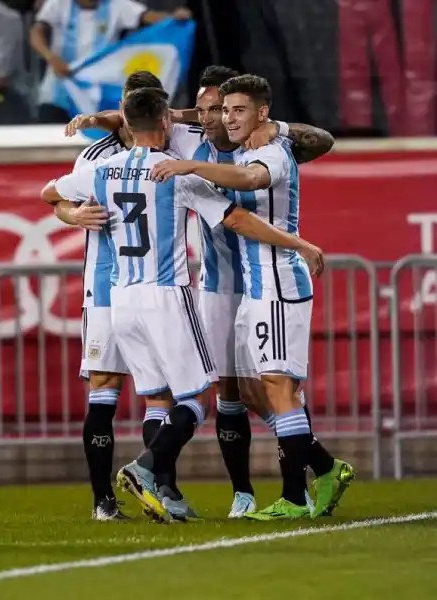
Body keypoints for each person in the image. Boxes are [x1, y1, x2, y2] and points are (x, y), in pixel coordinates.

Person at [66, 65, 351, 518]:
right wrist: (105, 127)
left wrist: (273, 127)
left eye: (227, 109)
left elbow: (320, 141)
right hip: (220, 285)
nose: (217, 118)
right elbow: (137, 117)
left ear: (254, 112)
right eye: (206, 109)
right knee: (232, 392)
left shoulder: (264, 149)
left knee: (274, 385)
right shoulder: (183, 141)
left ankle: (298, 488)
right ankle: (246, 492)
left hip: (265, 279)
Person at [150, 74, 354, 520]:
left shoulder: (272, 153)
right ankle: (324, 469)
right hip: (254, 288)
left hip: (277, 283)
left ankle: (295, 498)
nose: (227, 118)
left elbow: (249, 179)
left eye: (237, 110)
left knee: (280, 389)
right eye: (225, 111)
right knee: (254, 390)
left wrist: (190, 167)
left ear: (263, 113)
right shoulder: (244, 146)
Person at [49, 70, 181, 522]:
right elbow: (56, 198)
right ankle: (103, 500)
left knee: (159, 393)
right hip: (106, 285)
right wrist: (74, 215)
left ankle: (161, 488)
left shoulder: (171, 148)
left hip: (150, 286)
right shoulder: (97, 154)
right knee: (106, 389)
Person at [29, 0, 191, 124]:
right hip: (58, 93)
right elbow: (36, 33)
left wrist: (175, 19)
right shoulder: (58, 4)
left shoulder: (116, 5)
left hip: (99, 98)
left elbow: (150, 17)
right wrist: (51, 57)